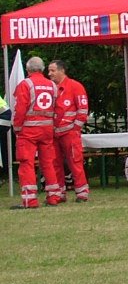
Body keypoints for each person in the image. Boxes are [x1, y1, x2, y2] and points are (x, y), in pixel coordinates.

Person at [11, 55, 63, 209]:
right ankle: (54, 196)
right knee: (48, 163)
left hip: (28, 130)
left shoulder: (25, 85)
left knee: (26, 163)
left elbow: (20, 109)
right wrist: (53, 126)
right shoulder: (52, 85)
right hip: (47, 130)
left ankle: (30, 200)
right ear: (42, 69)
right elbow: (59, 109)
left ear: (28, 69)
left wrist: (17, 127)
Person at [47, 59, 91, 203]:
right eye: (49, 70)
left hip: (70, 133)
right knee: (55, 164)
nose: (49, 74)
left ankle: (82, 192)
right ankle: (59, 193)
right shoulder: (49, 88)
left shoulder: (75, 86)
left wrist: (75, 129)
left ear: (62, 70)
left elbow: (83, 109)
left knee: (75, 162)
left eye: (53, 70)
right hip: (54, 133)